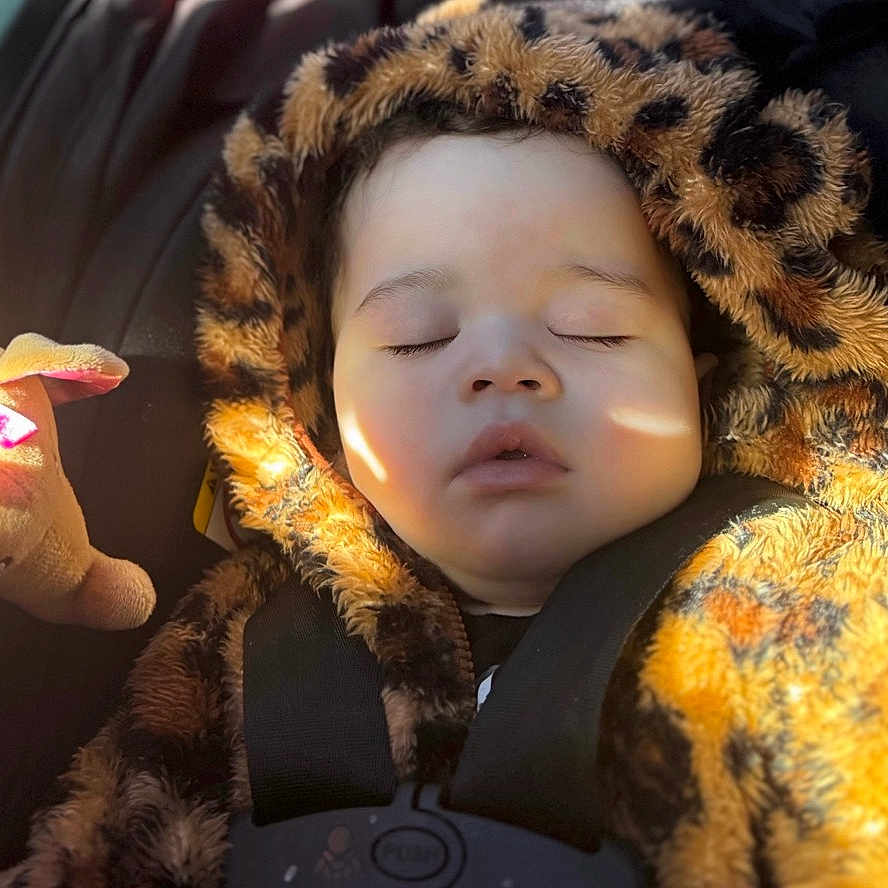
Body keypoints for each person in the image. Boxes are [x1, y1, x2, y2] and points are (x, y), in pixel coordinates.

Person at [3, 0, 888, 885]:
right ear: (315, 407)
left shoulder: (793, 602)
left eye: (594, 328)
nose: (503, 366)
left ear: (702, 389)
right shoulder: (234, 638)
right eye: (420, 336)